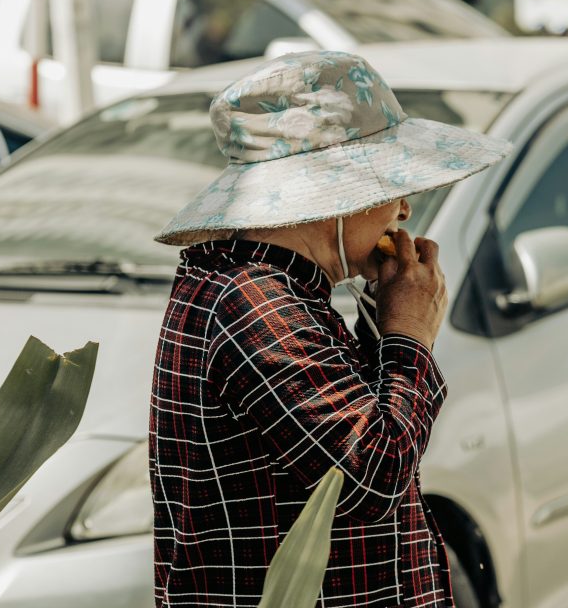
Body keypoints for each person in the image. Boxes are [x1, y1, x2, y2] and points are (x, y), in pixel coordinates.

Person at [148, 51, 511, 607]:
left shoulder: (267, 291)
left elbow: (334, 435)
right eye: (391, 185)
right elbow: (373, 477)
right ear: (329, 197)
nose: (404, 210)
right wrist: (409, 333)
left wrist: (382, 333)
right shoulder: (257, 306)